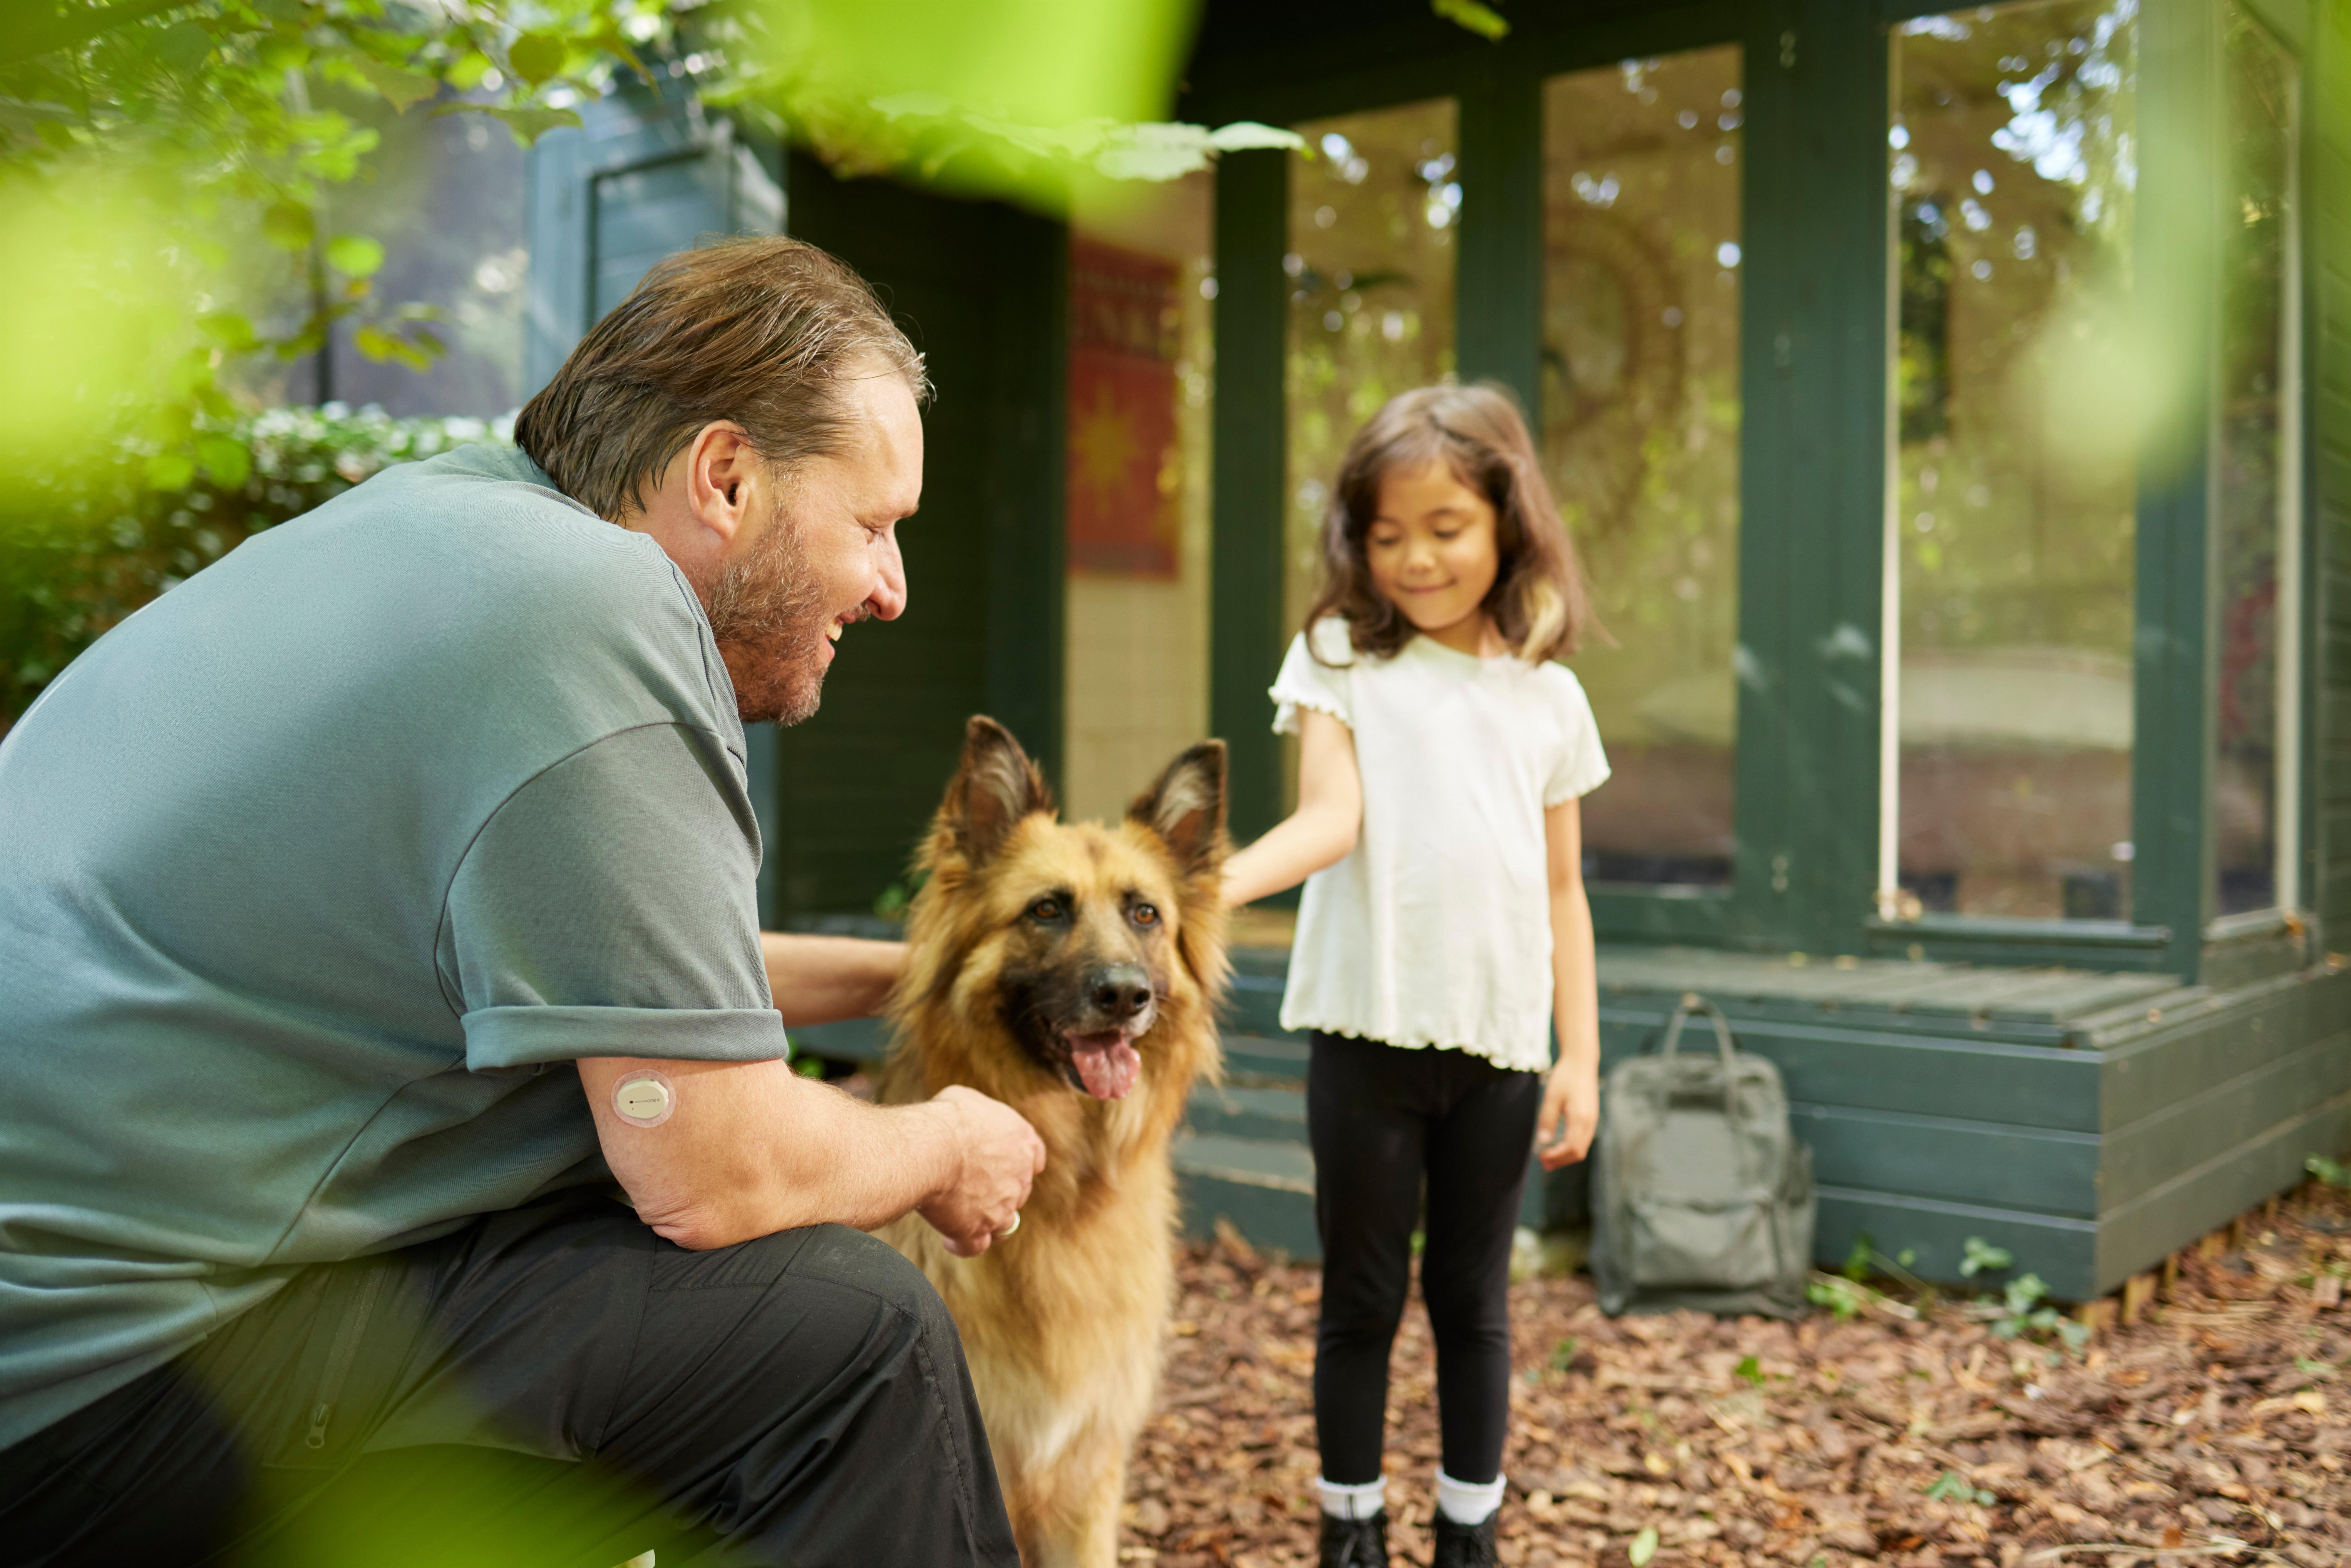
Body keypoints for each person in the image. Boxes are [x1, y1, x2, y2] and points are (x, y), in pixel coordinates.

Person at [0, 237, 1047, 1567]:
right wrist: (949, 1139)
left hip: (61, 1314)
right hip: (95, 1400)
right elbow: (715, 1169)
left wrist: (896, 974)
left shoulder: (448, 526)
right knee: (846, 1330)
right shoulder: (596, 610)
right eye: (874, 523)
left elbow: (590, 963)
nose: (891, 587)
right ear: (724, 476)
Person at [1221, 384, 1608, 1568]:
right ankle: (1350, 1528)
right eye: (1385, 536)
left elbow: (1561, 890)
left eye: (1443, 526)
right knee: (1360, 1296)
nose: (1415, 557)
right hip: (1363, 1035)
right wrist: (1196, 892)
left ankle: (1468, 1528)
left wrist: (1580, 1053)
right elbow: (1329, 818)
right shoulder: (1338, 655)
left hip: (1496, 1047)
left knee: (1473, 1302)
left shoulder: (1546, 693)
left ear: (1505, 520)